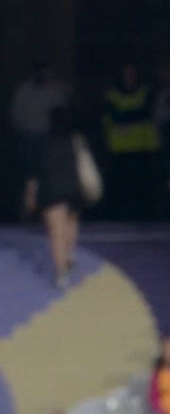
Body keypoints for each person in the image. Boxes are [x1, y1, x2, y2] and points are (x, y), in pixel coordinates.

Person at [22, 108, 96, 288]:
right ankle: (69, 255)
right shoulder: (75, 140)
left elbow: (33, 172)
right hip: (73, 189)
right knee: (71, 223)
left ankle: (61, 272)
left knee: (56, 232)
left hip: (51, 190)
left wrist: (30, 196)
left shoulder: (41, 142)